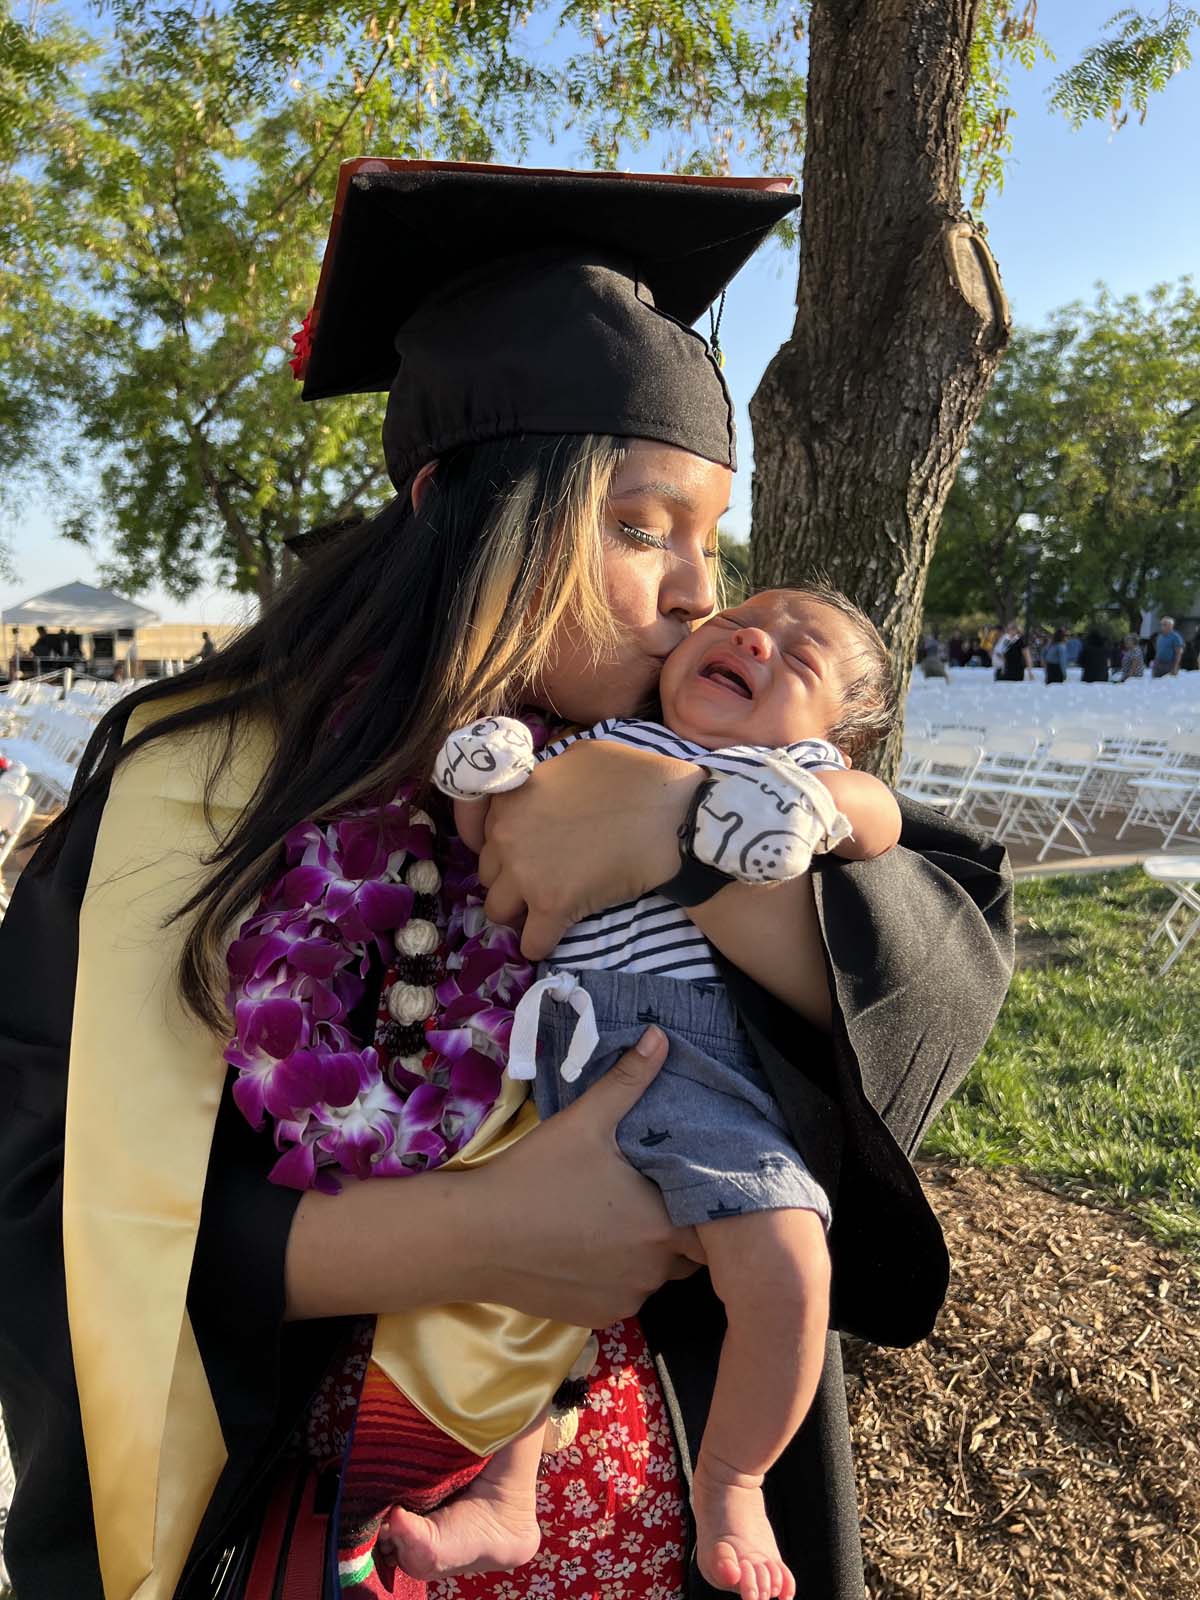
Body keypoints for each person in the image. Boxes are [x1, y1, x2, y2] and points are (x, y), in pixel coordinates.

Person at [0, 161, 1013, 1600]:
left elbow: (936, 954)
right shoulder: (200, 786)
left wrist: (671, 822)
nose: (694, 596)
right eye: (640, 525)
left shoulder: (684, 756)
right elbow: (38, 1195)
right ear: (460, 504)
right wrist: (480, 1236)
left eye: (710, 544)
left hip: (660, 1521)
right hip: (331, 1518)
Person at [372, 585, 898, 1599]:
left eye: (801, 654)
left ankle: (735, 1476)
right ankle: (507, 1494)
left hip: (694, 1067)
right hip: (553, 1051)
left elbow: (878, 816)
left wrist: (820, 812)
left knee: (789, 1262)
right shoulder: (599, 742)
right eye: (746, 618)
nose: (754, 635)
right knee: (522, 1284)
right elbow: (499, 847)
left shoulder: (788, 773)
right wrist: (485, 782)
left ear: (839, 730)